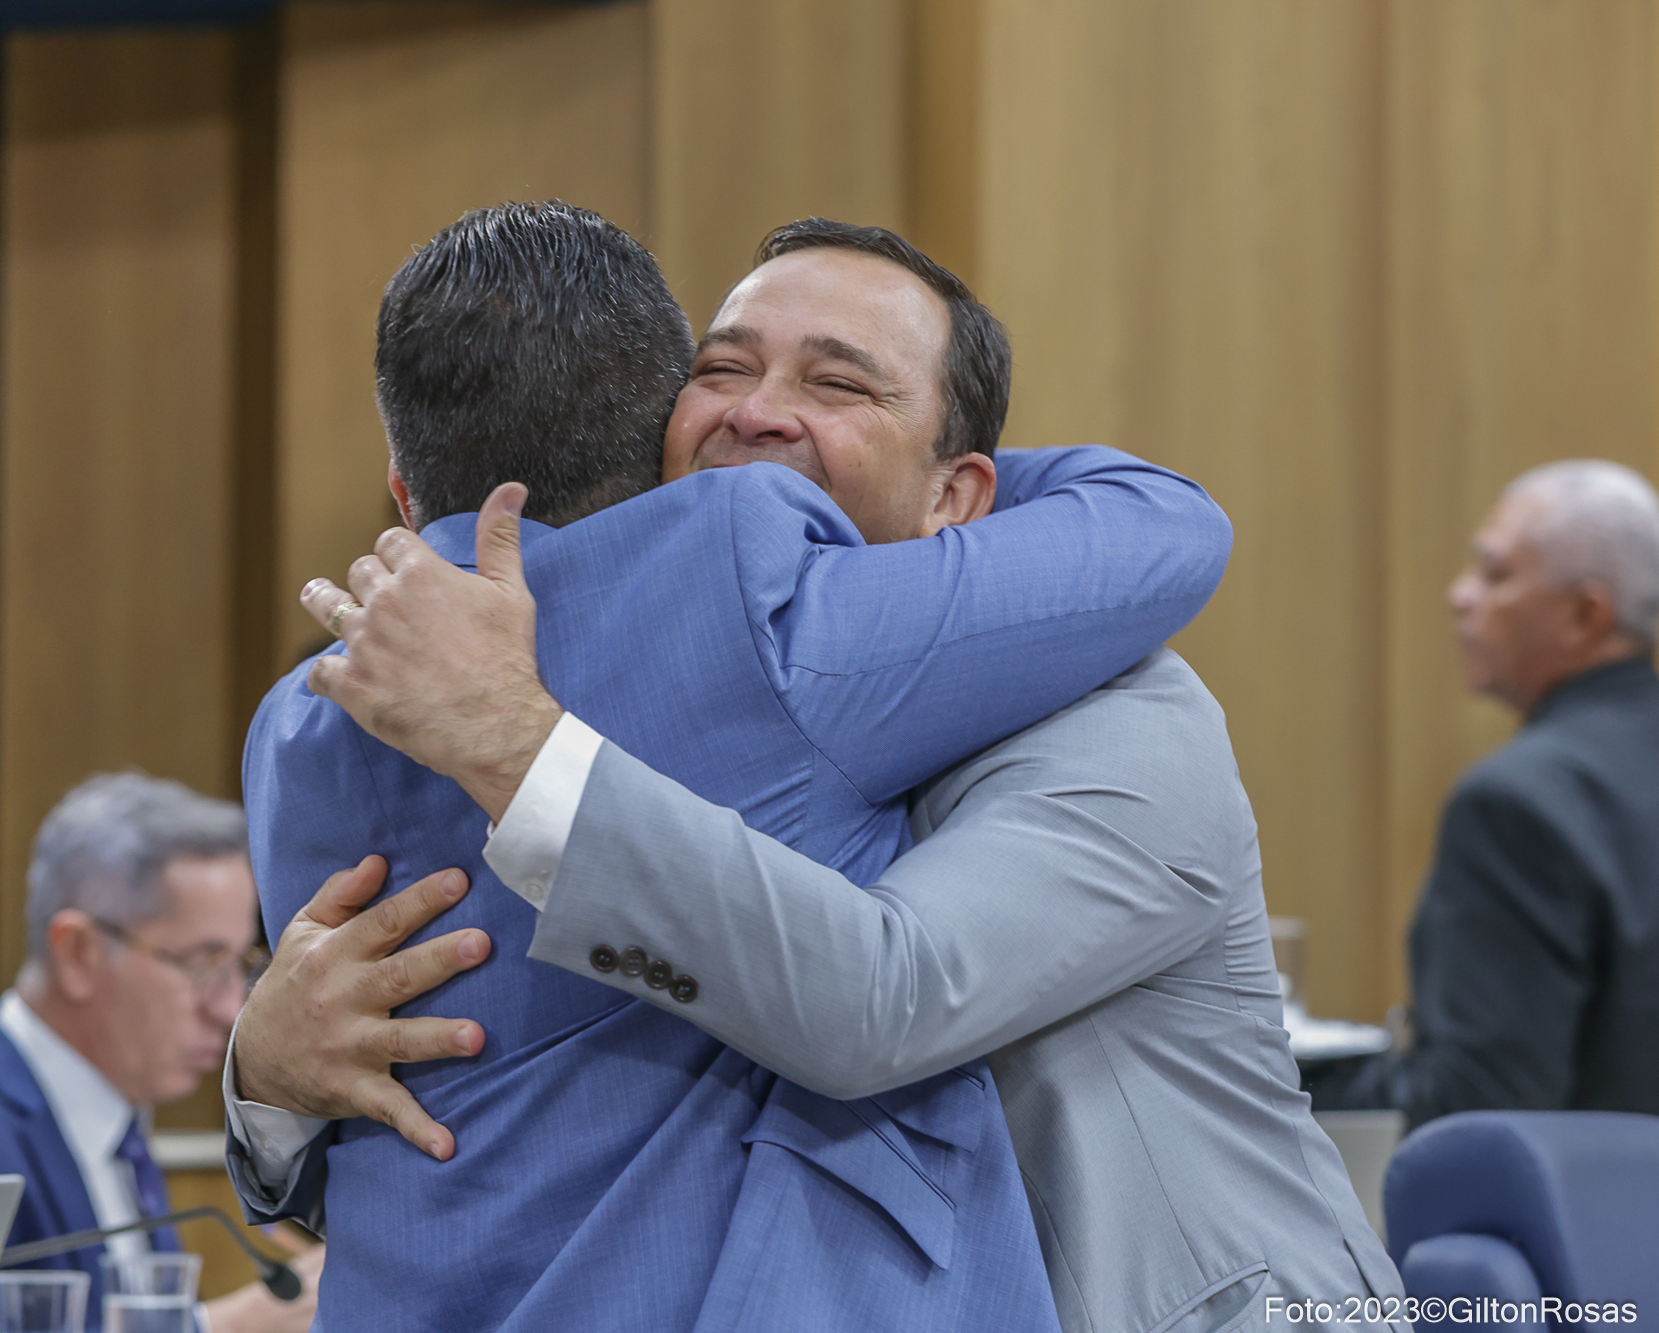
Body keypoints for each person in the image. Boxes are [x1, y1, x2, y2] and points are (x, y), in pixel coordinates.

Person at [269, 230, 1405, 1332]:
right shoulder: (664, 676)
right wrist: (262, 1074)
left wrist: (514, 747)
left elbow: (884, 997)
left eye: (840, 385)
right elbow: (501, 1115)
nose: (757, 411)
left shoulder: (1124, 714)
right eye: (722, 369)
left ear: (960, 495)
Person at [0, 773, 323, 1333]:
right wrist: (222, 1328)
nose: (228, 1008)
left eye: (239, 965)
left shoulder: (117, 1122)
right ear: (78, 954)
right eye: (201, 964)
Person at [1312, 460, 1659, 1127]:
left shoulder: (1518, 804)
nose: (1459, 595)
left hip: (1591, 1195)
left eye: (1495, 575)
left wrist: (1290, 1083)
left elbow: (1479, 1103)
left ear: (1585, 614)